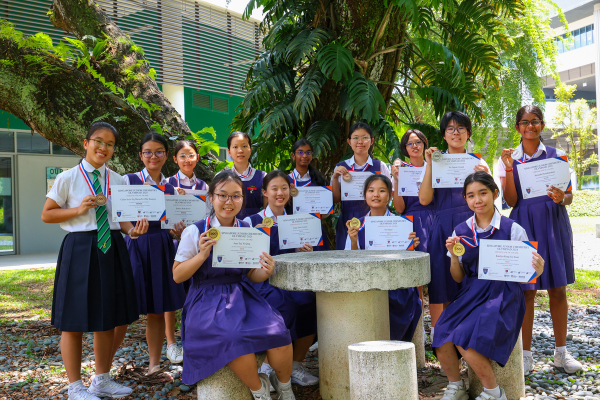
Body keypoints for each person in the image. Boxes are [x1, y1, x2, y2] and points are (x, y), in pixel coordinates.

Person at [42, 122, 149, 400]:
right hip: (79, 247)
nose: (104, 148)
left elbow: (122, 221)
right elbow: (48, 214)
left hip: (111, 246)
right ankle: (75, 387)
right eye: (99, 141)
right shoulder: (68, 178)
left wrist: (133, 231)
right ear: (86, 142)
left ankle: (101, 380)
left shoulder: (119, 179)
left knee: (108, 317)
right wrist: (79, 209)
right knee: (73, 320)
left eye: (110, 144)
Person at [173, 170, 295, 400]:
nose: (229, 202)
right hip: (206, 298)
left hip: (241, 294)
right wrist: (201, 255)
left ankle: (285, 388)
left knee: (279, 331)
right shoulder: (195, 230)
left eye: (236, 196)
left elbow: (251, 274)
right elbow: (178, 276)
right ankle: (260, 391)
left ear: (243, 199)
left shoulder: (247, 231)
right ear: (211, 197)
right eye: (223, 195)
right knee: (232, 338)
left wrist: (265, 271)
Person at [433, 171, 544, 400]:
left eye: (483, 193)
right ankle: (456, 385)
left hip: (503, 293)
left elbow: (525, 275)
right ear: (465, 199)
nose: (477, 200)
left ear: (494, 193)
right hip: (472, 291)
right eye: (471, 195)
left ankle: (494, 392)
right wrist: (454, 256)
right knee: (442, 332)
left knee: (463, 335)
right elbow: (457, 277)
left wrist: (538, 269)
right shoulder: (461, 231)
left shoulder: (512, 228)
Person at [498, 105, 579, 374]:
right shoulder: (509, 158)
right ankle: (525, 355)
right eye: (524, 122)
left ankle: (561, 354)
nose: (530, 126)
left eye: (535, 121)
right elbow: (510, 201)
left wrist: (561, 197)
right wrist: (509, 169)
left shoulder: (558, 156)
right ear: (517, 127)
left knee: (558, 288)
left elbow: (569, 196)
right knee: (527, 290)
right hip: (524, 225)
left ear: (542, 125)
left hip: (554, 223)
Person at [245, 170, 326, 388]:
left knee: (312, 304)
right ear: (264, 192)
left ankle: (296, 365)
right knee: (283, 307)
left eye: (284, 188)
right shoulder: (251, 222)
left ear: (290, 191)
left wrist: (303, 251)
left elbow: (305, 259)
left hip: (293, 281)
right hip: (263, 283)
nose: (279, 193)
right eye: (274, 188)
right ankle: (270, 367)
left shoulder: (298, 222)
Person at [419, 111, 491, 337]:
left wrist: (486, 175)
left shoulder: (477, 162)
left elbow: (491, 198)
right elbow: (424, 200)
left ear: (468, 133)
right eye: (450, 128)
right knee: (444, 283)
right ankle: (446, 339)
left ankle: (472, 336)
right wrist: (430, 164)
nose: (456, 132)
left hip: (473, 225)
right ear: (444, 135)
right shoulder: (435, 161)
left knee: (473, 280)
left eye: (461, 128)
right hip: (443, 228)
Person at [123, 132, 186, 375]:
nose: (153, 156)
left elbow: (170, 227)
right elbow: (121, 219)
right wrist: (132, 233)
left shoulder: (170, 188)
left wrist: (176, 232)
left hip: (161, 247)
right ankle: (102, 372)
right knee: (125, 309)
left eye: (159, 151)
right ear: (140, 155)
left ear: (167, 156)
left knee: (157, 309)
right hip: (137, 246)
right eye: (148, 152)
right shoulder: (129, 181)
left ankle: (154, 365)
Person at [345, 174, 422, 341]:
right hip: (367, 285)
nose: (376, 195)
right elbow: (351, 261)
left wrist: (411, 248)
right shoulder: (356, 226)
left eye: (382, 191)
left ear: (390, 195)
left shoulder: (401, 224)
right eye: (371, 190)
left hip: (396, 285)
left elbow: (408, 263)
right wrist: (353, 240)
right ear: (365, 195)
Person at [163, 139, 207, 364]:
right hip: (172, 244)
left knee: (194, 291)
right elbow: (163, 218)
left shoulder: (205, 187)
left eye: (191, 155)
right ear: (175, 159)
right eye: (182, 156)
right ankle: (171, 343)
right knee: (172, 294)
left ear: (197, 157)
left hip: (196, 246)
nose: (187, 159)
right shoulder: (167, 183)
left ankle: (190, 338)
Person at [331, 122, 391, 250]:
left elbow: (389, 193)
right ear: (349, 141)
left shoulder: (380, 166)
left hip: (375, 218)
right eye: (355, 137)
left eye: (365, 137)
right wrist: (335, 177)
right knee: (347, 259)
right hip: (349, 219)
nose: (360, 141)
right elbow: (335, 199)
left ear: (372, 141)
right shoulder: (341, 167)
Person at [392, 128, 435, 252]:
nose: (414, 146)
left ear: (424, 144)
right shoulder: (400, 170)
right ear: (405, 148)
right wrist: (396, 180)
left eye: (418, 142)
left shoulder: (434, 168)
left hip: (433, 219)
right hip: (410, 223)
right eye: (410, 144)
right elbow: (399, 209)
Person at [225, 131, 266, 220]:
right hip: (229, 226)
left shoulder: (263, 177)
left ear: (250, 150)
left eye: (244, 146)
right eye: (235, 147)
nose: (240, 150)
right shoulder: (222, 177)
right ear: (229, 152)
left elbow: (267, 208)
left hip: (256, 226)